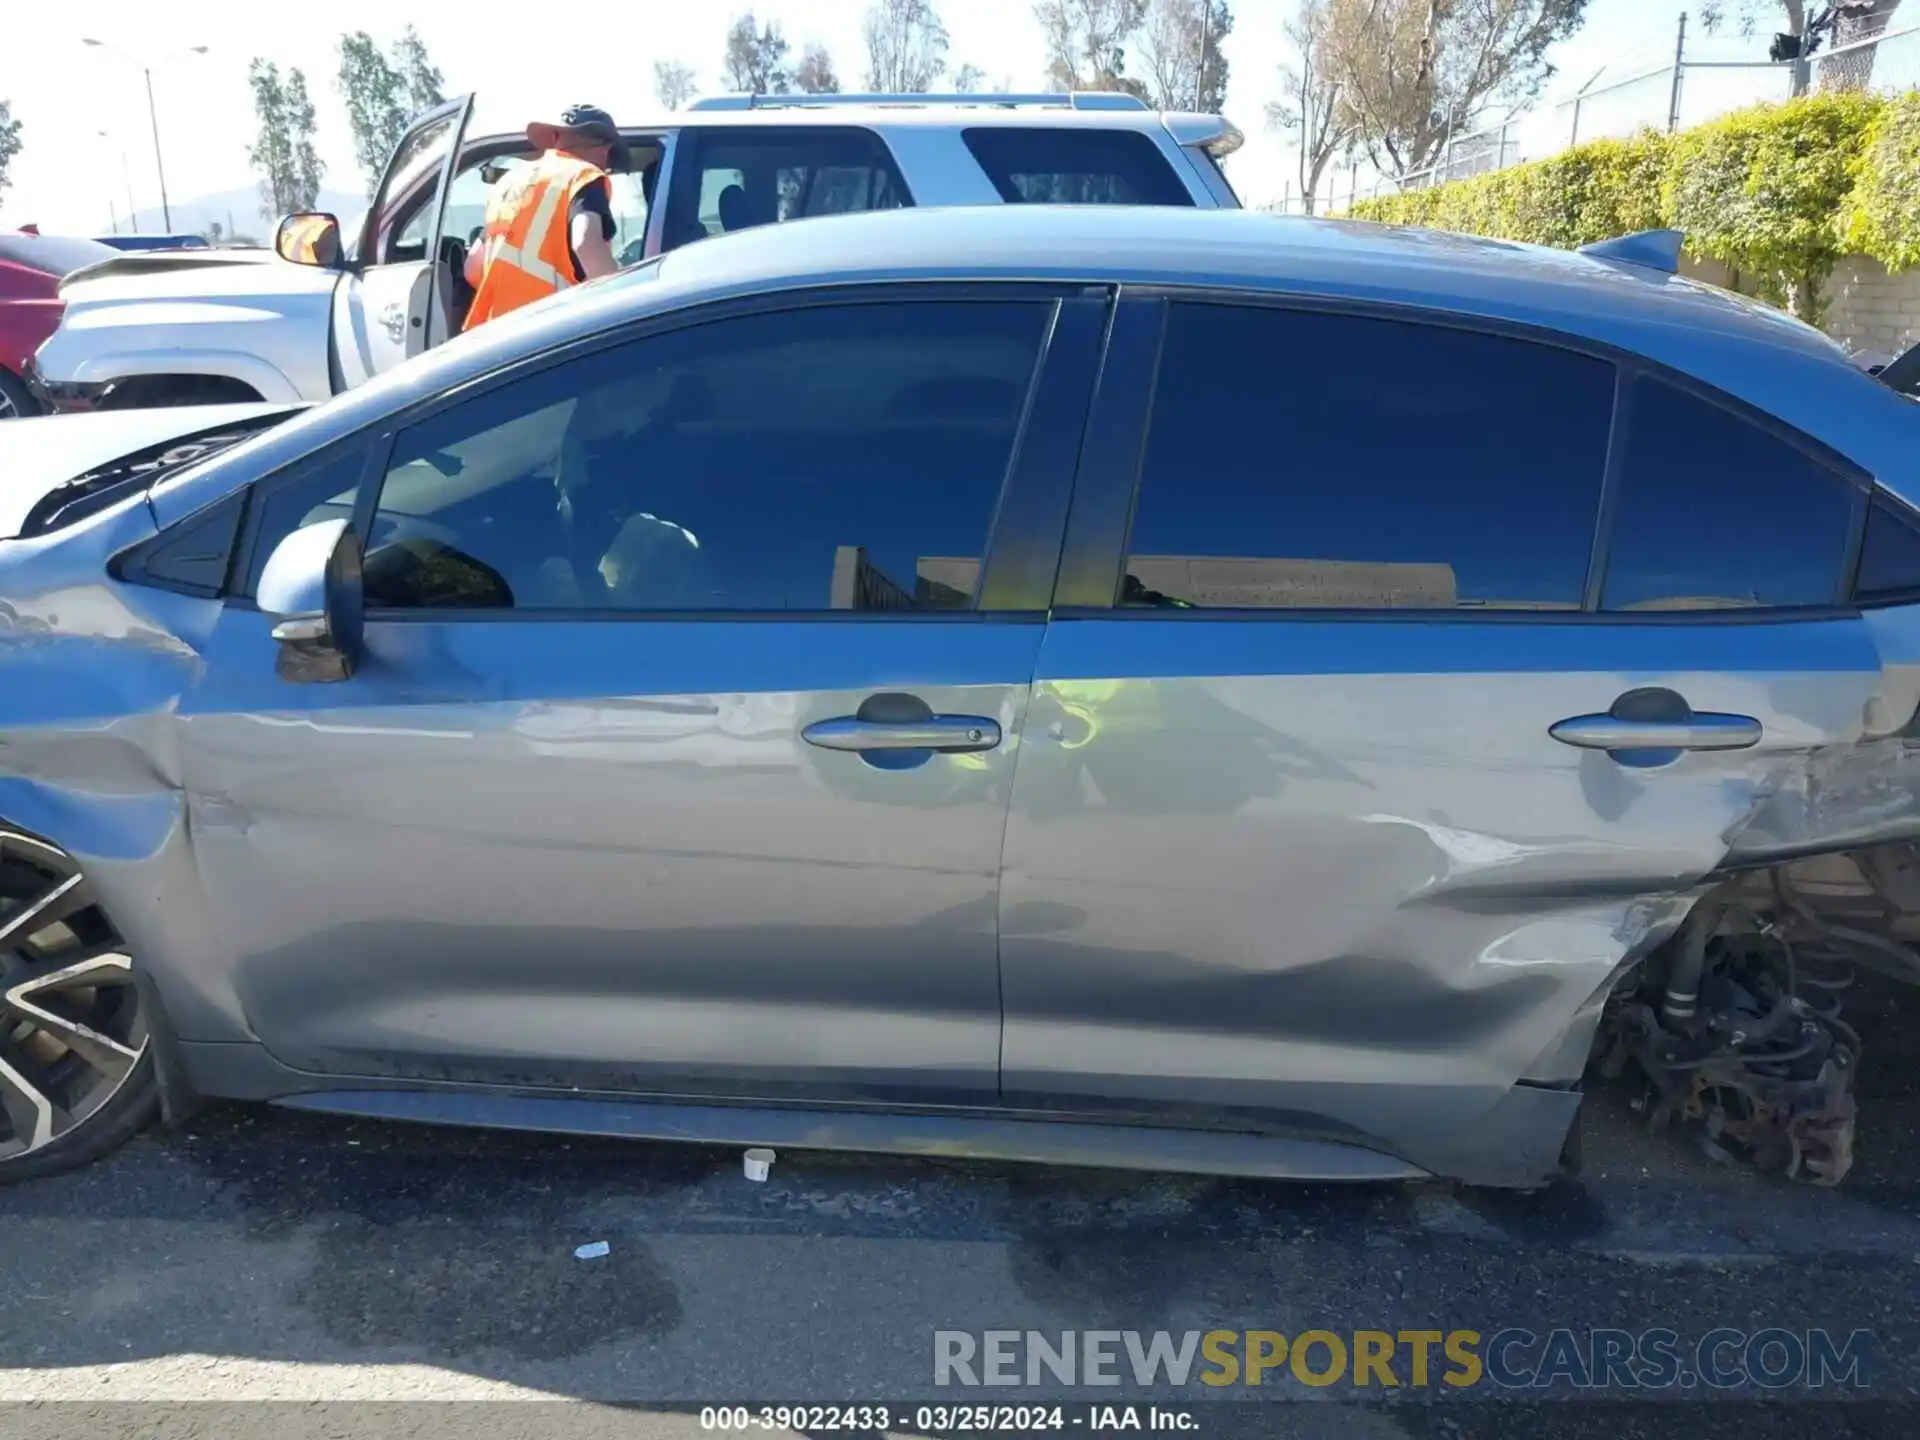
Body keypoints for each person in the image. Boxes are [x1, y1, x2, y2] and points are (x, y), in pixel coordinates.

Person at [463, 104, 629, 331]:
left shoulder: (508, 183)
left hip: (497, 337)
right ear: (605, 149)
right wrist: (623, 303)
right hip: (554, 331)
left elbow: (472, 268)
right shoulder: (583, 175)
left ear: (554, 138)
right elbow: (585, 243)